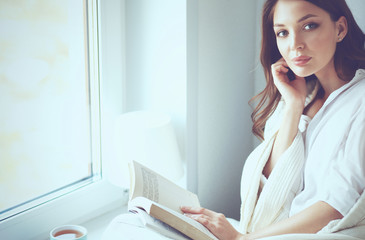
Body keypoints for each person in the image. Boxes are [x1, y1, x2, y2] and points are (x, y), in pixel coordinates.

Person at [181, 0, 365, 239]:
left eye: (309, 26)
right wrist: (293, 107)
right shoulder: (297, 97)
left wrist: (242, 239)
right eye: (283, 32)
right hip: (274, 231)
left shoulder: (360, 100)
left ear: (340, 29)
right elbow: (270, 190)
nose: (294, 44)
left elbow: (336, 207)